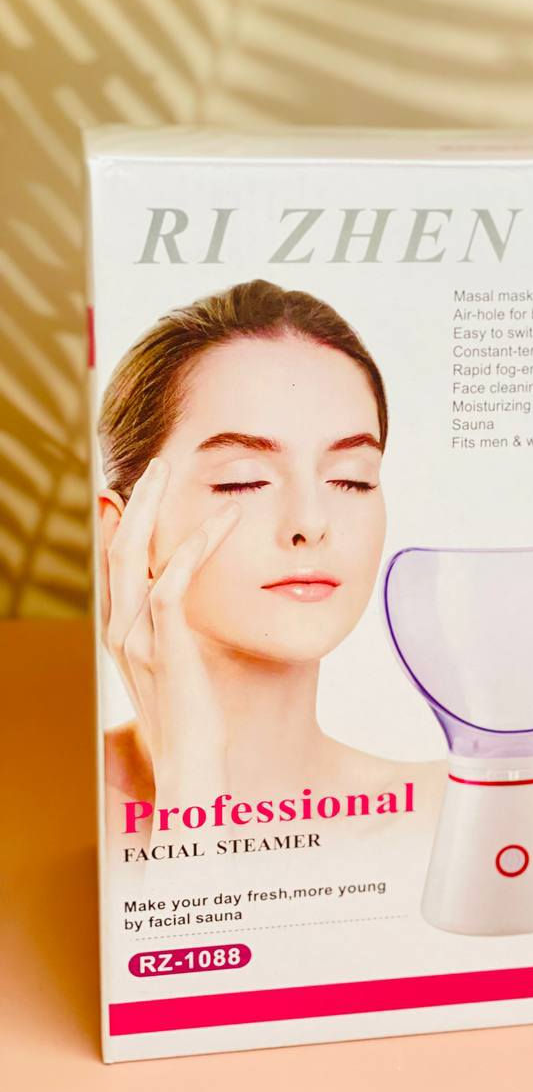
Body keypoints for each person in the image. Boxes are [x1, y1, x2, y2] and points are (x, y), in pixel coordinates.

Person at [97, 279, 439, 842]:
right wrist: (192, 786)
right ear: (123, 530)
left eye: (351, 479)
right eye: (244, 481)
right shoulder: (35, 803)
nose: (311, 522)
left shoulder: (450, 816)